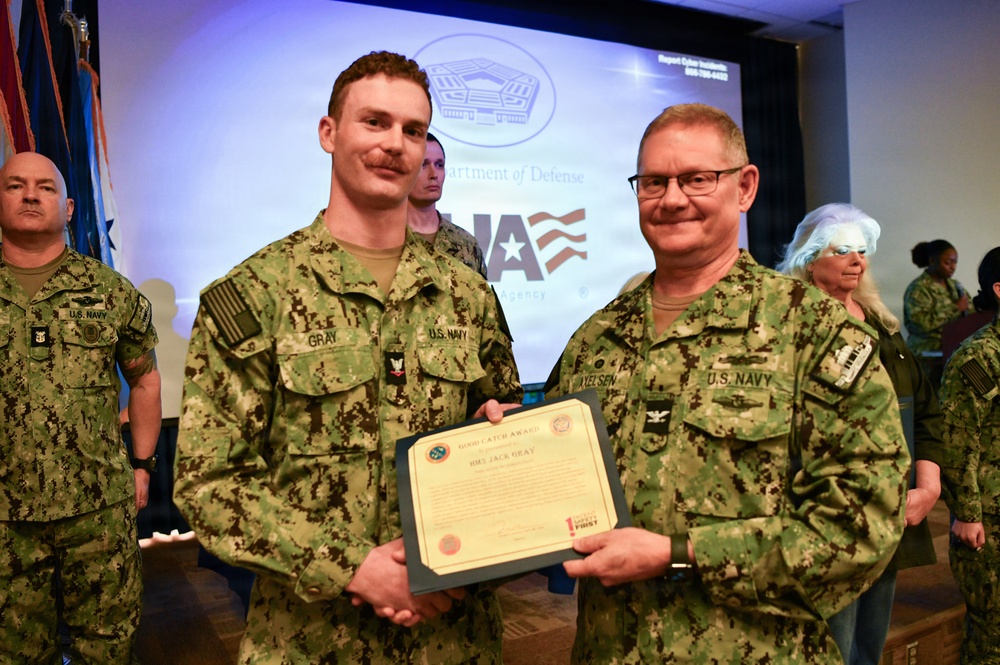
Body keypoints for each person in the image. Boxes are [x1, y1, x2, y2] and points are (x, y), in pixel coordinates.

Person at [172, 51, 522, 664]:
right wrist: (352, 567)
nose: (395, 144)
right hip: (310, 639)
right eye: (375, 122)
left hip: (452, 636)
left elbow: (503, 424)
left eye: (413, 130)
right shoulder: (255, 295)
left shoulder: (467, 295)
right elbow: (210, 482)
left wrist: (502, 440)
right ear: (329, 133)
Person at [543, 103, 909, 663]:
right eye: (653, 182)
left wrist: (680, 554)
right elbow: (552, 485)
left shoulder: (813, 329)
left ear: (745, 187)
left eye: (697, 179)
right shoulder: (597, 338)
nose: (671, 199)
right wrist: (497, 446)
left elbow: (864, 522)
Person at [0, 152, 162, 662]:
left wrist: (142, 464)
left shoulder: (109, 291)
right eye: (15, 185)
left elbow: (144, 379)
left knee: (106, 647)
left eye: (46, 187)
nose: (31, 195)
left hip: (98, 508)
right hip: (4, 517)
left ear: (69, 208)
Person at [777, 203, 944, 665]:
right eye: (842, 250)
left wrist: (929, 487)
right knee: (829, 648)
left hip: (891, 514)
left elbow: (925, 408)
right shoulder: (785, 326)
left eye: (862, 250)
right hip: (821, 521)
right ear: (809, 258)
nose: (856, 260)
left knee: (868, 646)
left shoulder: (881, 324)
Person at [939, 245, 1000, 665]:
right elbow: (958, 441)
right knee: (992, 635)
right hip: (991, 519)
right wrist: (968, 513)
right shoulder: (978, 357)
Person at [407, 132, 488, 278]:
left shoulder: (466, 244)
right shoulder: (384, 239)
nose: (434, 174)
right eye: (423, 165)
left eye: (439, 165)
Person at [904, 239, 972, 386]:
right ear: (933, 261)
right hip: (926, 357)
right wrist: (955, 308)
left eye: (955, 263)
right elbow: (920, 324)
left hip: (953, 352)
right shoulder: (918, 289)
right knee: (930, 398)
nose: (953, 267)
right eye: (948, 262)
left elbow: (971, 314)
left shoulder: (955, 286)